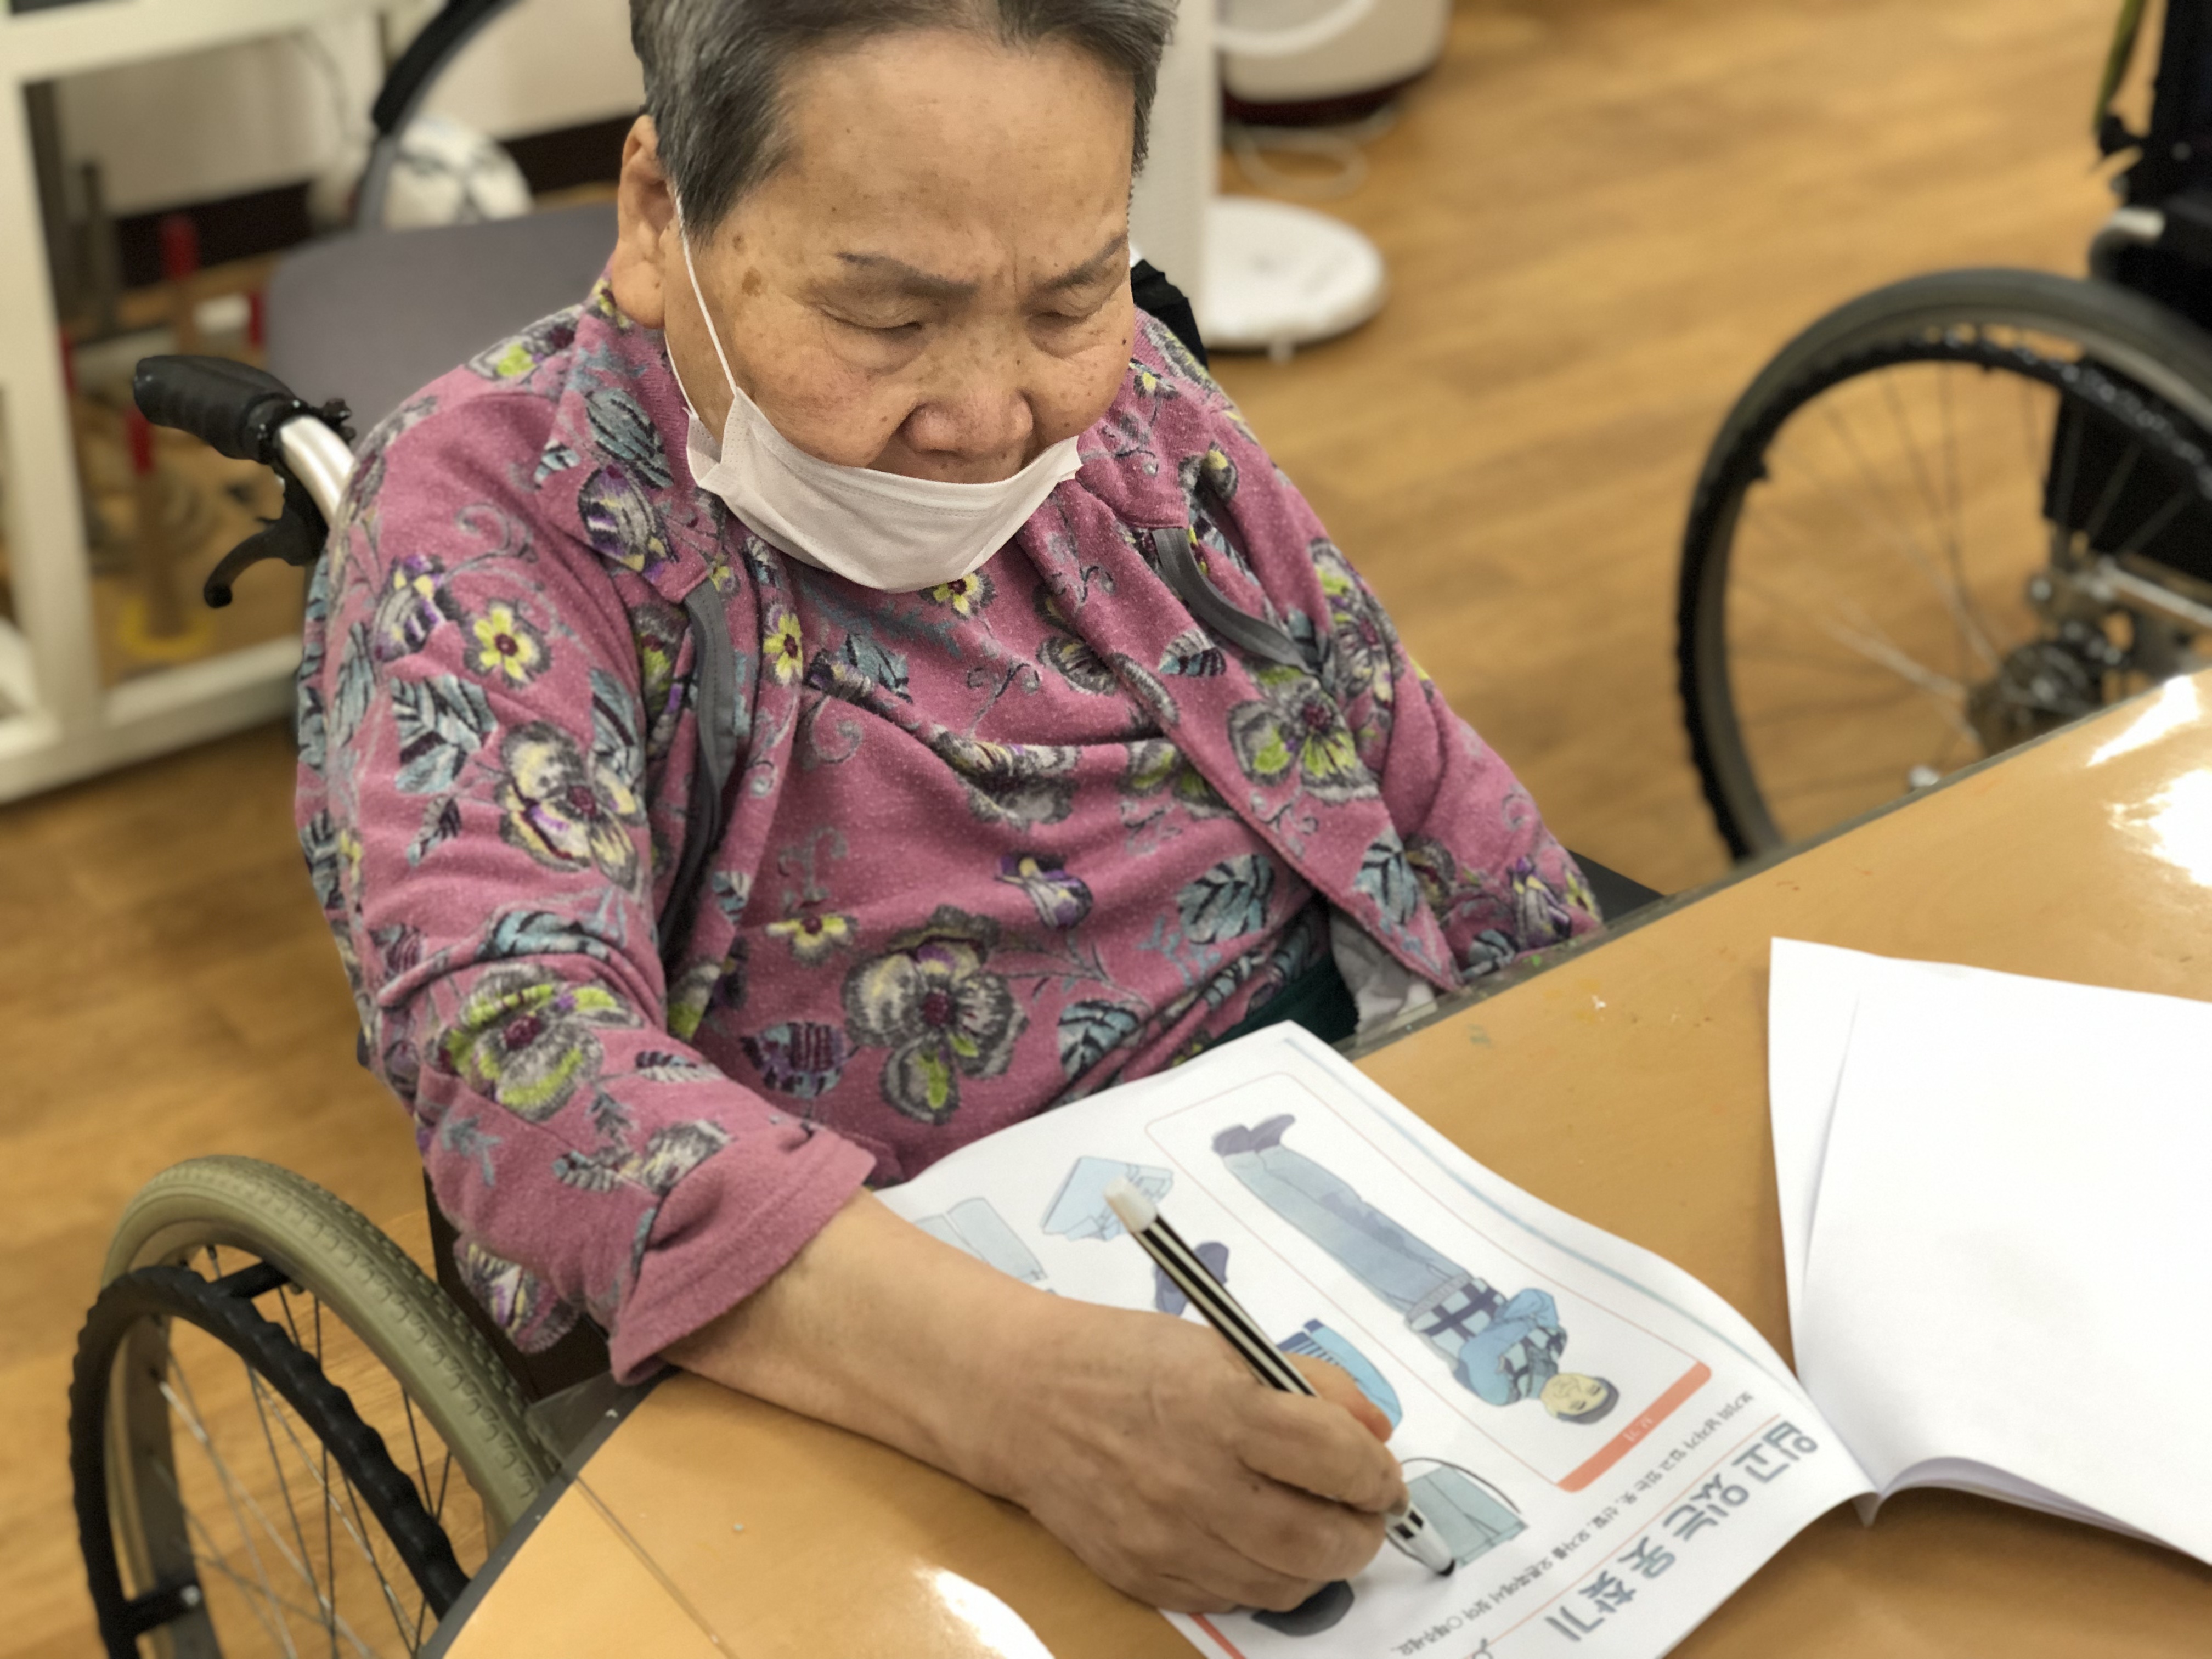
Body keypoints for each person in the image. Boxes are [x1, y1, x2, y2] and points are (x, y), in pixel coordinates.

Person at [296, 0, 1601, 1616]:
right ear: (656, 214)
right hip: (886, 1314)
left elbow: (1402, 753)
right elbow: (517, 1048)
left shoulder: (1135, 407)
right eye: (886, 317)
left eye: (1069, 300)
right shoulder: (487, 520)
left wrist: (1577, 1066)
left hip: (1317, 1157)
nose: (991, 419)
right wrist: (1029, 1399)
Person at [1214, 1118, 1617, 1419]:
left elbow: (1479, 1352)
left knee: (1330, 1228)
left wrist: (1519, 1324)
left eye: (1577, 1404)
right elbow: (1537, 1298)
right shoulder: (1556, 1342)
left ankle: (1241, 1162)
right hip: (1456, 1277)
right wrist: (1514, 1325)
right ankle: (1275, 1155)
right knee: (1358, 1211)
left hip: (1420, 1300)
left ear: (1556, 1413)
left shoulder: (1505, 1392)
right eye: (1590, 1388)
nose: (1575, 1391)